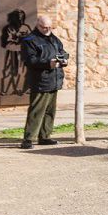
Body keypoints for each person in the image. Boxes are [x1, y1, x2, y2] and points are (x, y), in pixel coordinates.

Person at [19, 15, 69, 149]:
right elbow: (30, 60)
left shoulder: (53, 38)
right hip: (40, 80)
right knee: (37, 110)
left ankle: (45, 136)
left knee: (49, 111)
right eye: (44, 27)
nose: (47, 29)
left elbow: (62, 51)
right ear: (38, 25)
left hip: (55, 79)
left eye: (49, 27)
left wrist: (64, 60)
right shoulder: (30, 40)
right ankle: (28, 139)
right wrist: (48, 63)